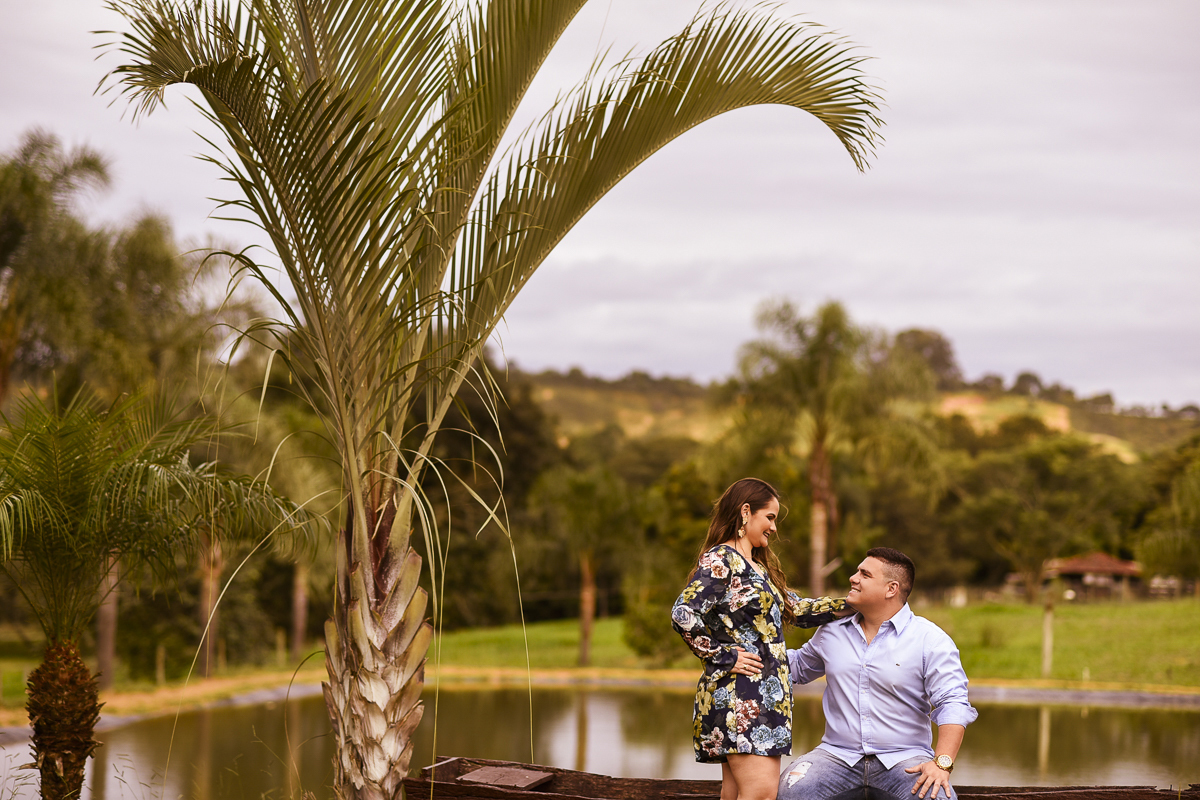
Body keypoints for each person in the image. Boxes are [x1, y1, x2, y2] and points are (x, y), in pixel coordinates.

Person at [671, 477, 847, 800]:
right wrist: (724, 656)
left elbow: (797, 609)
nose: (774, 528)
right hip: (742, 697)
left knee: (738, 793)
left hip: (758, 699)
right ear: (745, 512)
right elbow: (683, 613)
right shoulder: (722, 560)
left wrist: (852, 605)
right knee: (761, 793)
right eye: (770, 517)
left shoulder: (756, 567)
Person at [778, 547, 978, 800]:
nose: (853, 578)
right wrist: (742, 655)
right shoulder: (831, 632)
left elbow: (953, 703)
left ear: (891, 589)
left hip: (906, 759)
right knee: (792, 790)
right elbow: (796, 667)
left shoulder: (930, 639)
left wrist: (942, 763)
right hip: (836, 756)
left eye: (865, 574)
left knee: (938, 797)